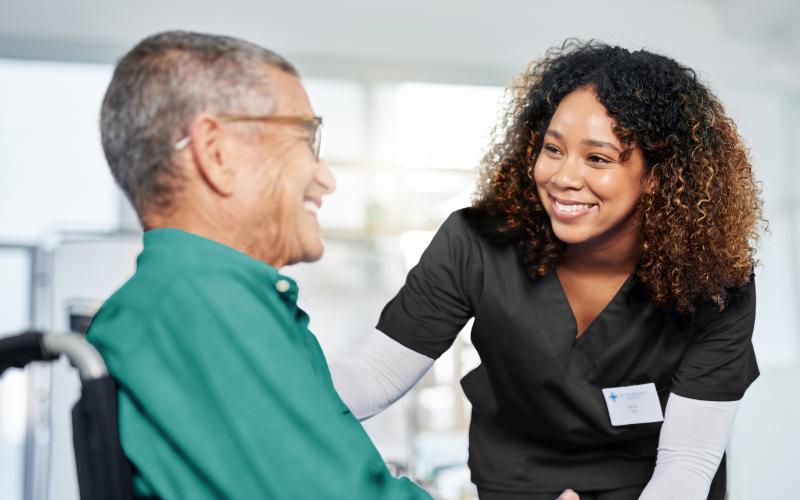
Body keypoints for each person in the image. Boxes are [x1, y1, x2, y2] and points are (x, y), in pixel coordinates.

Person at [331, 41, 764, 500]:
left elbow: (687, 463)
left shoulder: (714, 282)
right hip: (522, 484)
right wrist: (273, 390)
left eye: (597, 158)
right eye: (552, 149)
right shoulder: (475, 244)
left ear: (658, 175)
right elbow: (373, 376)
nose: (562, 177)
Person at [86, 31, 431, 500]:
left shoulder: (211, 303)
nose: (326, 179)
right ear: (217, 152)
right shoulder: (200, 303)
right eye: (305, 138)